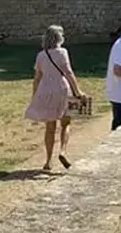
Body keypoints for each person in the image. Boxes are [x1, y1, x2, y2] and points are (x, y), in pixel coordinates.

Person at [25, 24, 85, 172]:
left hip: (46, 90)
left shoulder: (41, 55)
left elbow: (37, 77)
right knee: (66, 123)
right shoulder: (62, 52)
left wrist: (35, 95)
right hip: (62, 89)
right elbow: (68, 72)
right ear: (60, 37)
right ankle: (63, 151)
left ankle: (48, 160)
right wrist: (77, 91)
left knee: (50, 127)